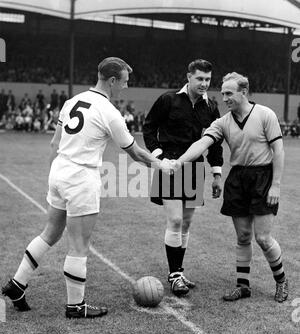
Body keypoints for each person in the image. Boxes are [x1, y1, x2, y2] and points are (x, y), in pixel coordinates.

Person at [2, 57, 170, 319]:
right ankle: (75, 306)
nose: (125, 87)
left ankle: (16, 284)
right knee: (79, 244)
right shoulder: (109, 111)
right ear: (112, 80)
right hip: (82, 177)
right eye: (124, 82)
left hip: (60, 171)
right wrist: (160, 164)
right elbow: (135, 153)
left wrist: (55, 178)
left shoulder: (72, 101)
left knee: (50, 233)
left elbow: (54, 144)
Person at [170, 72, 288, 303]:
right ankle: (243, 286)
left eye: (229, 93)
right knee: (243, 236)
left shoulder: (266, 114)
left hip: (263, 178)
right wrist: (179, 161)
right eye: (223, 93)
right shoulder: (222, 122)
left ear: (243, 92)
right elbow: (202, 143)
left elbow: (279, 151)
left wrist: (275, 184)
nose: (224, 98)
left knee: (262, 238)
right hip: (237, 179)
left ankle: (281, 281)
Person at [142, 59, 223, 296]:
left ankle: (178, 271)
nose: (204, 84)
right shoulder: (168, 99)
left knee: (186, 223)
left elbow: (215, 142)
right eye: (200, 78)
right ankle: (174, 274)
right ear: (188, 77)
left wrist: (217, 173)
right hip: (170, 166)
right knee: (175, 220)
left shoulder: (211, 107)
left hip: (195, 167)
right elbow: (149, 128)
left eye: (208, 79)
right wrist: (159, 157)